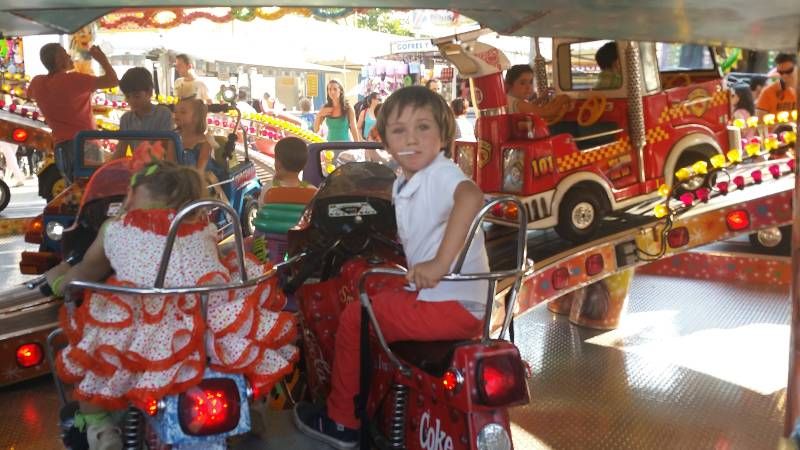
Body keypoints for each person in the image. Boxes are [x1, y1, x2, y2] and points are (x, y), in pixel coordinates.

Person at [52, 160, 298, 450]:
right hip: (209, 322)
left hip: (149, 332)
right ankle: (249, 407)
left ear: (134, 195)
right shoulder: (202, 226)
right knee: (241, 350)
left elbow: (85, 272)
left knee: (94, 358)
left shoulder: (114, 228)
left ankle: (99, 429)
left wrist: (60, 283)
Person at [294, 86, 488, 449]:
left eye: (423, 127)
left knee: (356, 315)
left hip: (445, 305)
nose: (411, 138)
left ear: (444, 134)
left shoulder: (440, 174)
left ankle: (341, 421)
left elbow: (471, 197)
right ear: (385, 140)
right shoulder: (407, 182)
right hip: (448, 300)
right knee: (378, 289)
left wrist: (439, 263)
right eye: (400, 130)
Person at [28, 43, 118, 182]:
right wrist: (102, 59)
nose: (69, 56)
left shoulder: (37, 83)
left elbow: (29, 95)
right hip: (85, 143)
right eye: (65, 53)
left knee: (74, 191)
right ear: (59, 60)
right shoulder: (73, 80)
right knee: (92, 189)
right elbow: (112, 81)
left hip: (60, 147)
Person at [173, 98, 226, 183]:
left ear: (196, 117)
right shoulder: (173, 137)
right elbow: (169, 164)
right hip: (177, 179)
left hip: (199, 182)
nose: (177, 114)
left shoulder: (204, 142)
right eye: (175, 111)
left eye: (183, 112)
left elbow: (199, 172)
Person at [258, 136, 315, 205]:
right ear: (304, 165)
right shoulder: (313, 192)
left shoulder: (268, 190)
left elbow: (261, 213)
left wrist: (275, 181)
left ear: (277, 164)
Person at [505, 64, 573, 121]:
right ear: (509, 85)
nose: (528, 87)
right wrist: (564, 98)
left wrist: (541, 98)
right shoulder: (518, 104)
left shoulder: (509, 99)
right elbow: (547, 113)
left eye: (531, 82)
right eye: (522, 83)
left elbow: (530, 106)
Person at [118, 67, 174, 132]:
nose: (132, 101)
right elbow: (123, 141)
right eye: (127, 96)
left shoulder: (163, 114)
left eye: (136, 96)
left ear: (150, 92)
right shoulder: (126, 119)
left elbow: (167, 141)